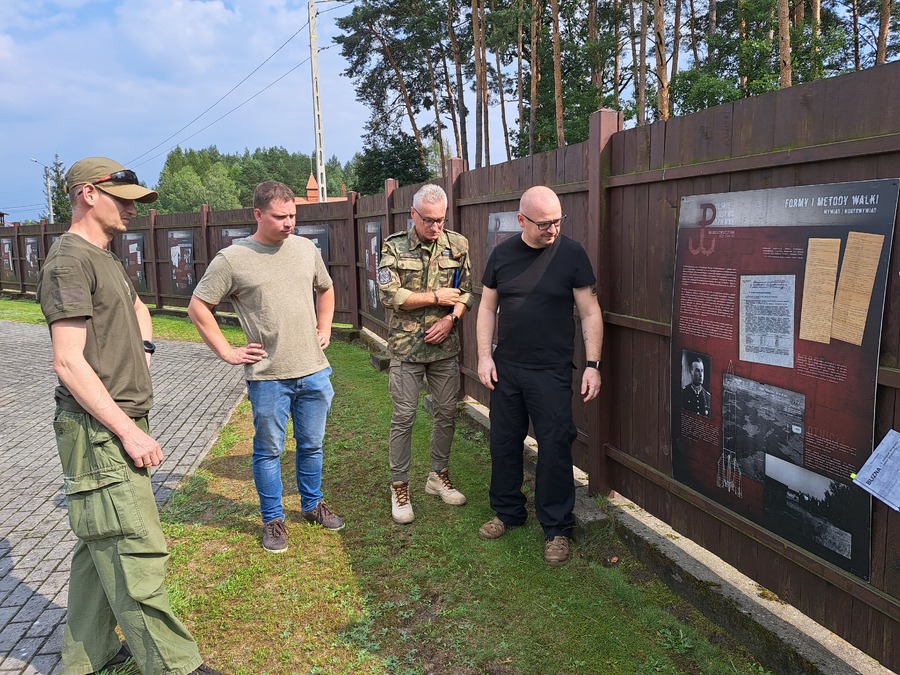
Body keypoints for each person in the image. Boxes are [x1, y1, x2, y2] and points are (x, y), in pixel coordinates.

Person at [36, 157, 221, 675]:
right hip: (100, 431)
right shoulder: (68, 262)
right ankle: (175, 665)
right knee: (134, 551)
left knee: (99, 545)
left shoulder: (105, 258)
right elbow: (68, 361)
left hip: (116, 423)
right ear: (88, 194)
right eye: (124, 199)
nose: (131, 210)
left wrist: (141, 347)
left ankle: (84, 656)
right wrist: (126, 432)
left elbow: (138, 308)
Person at [188, 180, 343, 554]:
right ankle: (273, 519)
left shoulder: (306, 250)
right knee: (268, 450)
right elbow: (198, 306)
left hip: (313, 371)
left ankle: (311, 505)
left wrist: (325, 327)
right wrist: (226, 351)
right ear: (258, 214)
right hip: (268, 377)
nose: (289, 223)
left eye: (293, 215)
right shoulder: (232, 259)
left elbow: (326, 288)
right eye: (280, 217)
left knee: (311, 445)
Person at [476, 185, 604, 567]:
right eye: (544, 223)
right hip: (507, 369)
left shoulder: (572, 254)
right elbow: (486, 308)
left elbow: (590, 312)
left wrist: (593, 365)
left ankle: (557, 528)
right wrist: (485, 356)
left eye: (557, 221)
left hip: (551, 371)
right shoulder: (502, 255)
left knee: (554, 448)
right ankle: (508, 512)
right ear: (521, 220)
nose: (552, 229)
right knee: (503, 442)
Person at [377, 184, 474, 524]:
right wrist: (435, 298)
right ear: (413, 215)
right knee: (404, 418)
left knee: (447, 412)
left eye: (441, 220)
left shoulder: (457, 244)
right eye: (429, 220)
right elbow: (391, 295)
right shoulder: (394, 246)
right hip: (406, 349)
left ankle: (438, 475)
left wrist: (451, 319)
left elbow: (467, 292)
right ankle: (399, 486)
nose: (435, 227)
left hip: (444, 349)